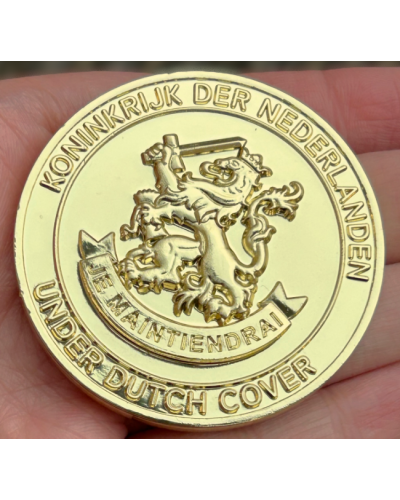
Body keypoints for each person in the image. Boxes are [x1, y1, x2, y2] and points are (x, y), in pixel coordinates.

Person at [1, 68, 399, 438]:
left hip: (211, 251)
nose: (221, 170)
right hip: (196, 243)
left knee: (214, 273)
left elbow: (174, 191)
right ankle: (163, 270)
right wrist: (168, 161)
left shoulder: (216, 196)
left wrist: (167, 163)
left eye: (230, 170)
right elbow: (172, 192)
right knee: (169, 247)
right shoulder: (207, 192)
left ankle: (223, 293)